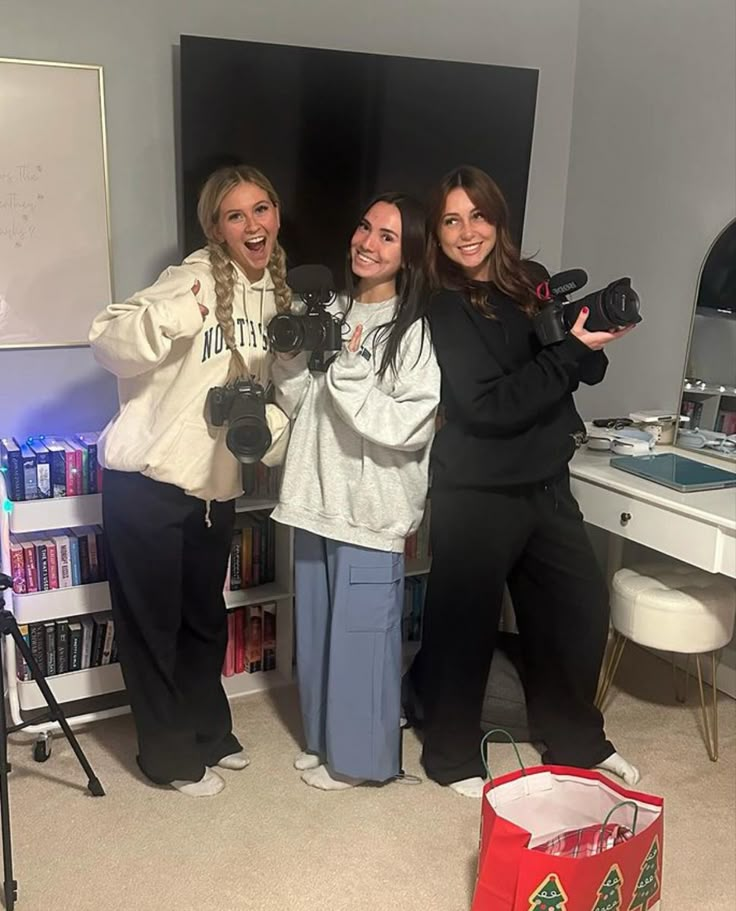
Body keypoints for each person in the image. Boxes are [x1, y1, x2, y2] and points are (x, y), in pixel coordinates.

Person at [409, 165, 639, 798]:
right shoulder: (444, 307)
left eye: (478, 216)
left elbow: (574, 371)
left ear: (497, 220)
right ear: (437, 232)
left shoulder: (528, 285)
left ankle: (577, 740)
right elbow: (487, 406)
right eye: (451, 220)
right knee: (464, 628)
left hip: (544, 481)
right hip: (477, 492)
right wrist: (569, 354)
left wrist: (587, 339)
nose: (466, 232)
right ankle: (450, 756)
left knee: (578, 612)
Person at [89, 165, 291, 797]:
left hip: (214, 490)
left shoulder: (279, 296)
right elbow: (105, 340)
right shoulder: (190, 278)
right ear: (216, 227)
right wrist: (182, 310)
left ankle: (207, 729)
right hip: (147, 484)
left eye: (261, 209)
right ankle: (166, 755)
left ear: (276, 215)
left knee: (204, 618)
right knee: (153, 626)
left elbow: (278, 393)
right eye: (236, 215)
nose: (252, 225)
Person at [270, 192, 441, 790]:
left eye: (388, 236)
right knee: (316, 635)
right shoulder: (330, 311)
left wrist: (347, 369)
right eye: (365, 226)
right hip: (315, 496)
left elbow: (403, 427)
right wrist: (291, 360)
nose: (367, 242)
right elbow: (300, 403)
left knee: (364, 641)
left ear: (411, 255)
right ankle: (323, 742)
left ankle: (362, 762)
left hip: (369, 508)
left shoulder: (414, 333)